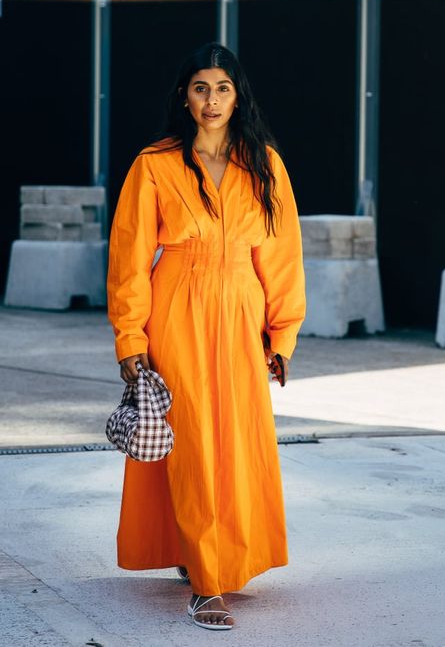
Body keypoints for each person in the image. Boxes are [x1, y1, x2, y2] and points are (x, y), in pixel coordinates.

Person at [107, 42, 306, 631]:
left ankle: (212, 555)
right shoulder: (155, 164)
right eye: (200, 88)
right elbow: (130, 257)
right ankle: (206, 581)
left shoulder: (265, 164)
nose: (211, 99)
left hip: (242, 311)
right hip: (176, 310)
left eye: (221, 87)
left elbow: (284, 254)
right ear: (183, 97)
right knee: (192, 442)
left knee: (236, 443)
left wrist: (283, 334)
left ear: (237, 94)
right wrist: (130, 340)